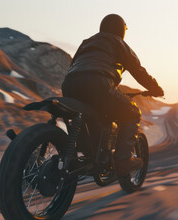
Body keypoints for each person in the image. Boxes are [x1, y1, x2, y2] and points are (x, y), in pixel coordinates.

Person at [62, 14, 164, 177]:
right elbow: (137, 70)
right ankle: (123, 160)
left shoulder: (86, 43)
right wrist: (155, 88)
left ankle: (91, 155)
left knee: (90, 116)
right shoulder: (117, 42)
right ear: (121, 30)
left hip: (70, 83)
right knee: (132, 112)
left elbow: (74, 64)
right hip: (98, 83)